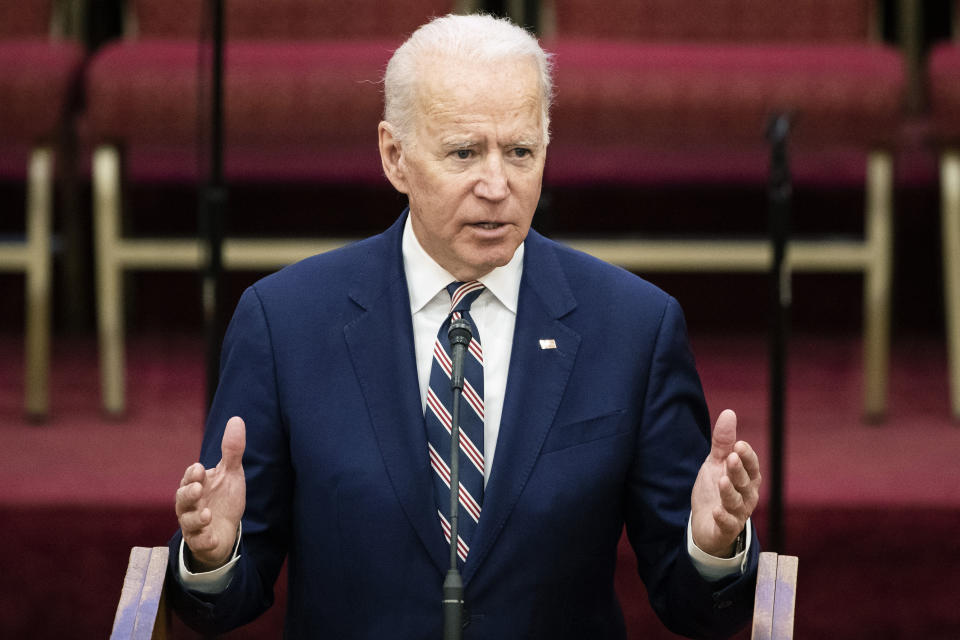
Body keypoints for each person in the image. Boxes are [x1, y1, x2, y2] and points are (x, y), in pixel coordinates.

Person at [168, 13, 762, 639]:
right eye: (464, 153)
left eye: (520, 152)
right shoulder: (286, 322)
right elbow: (226, 597)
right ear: (395, 157)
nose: (497, 185)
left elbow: (692, 604)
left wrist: (711, 545)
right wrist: (212, 557)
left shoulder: (634, 327)